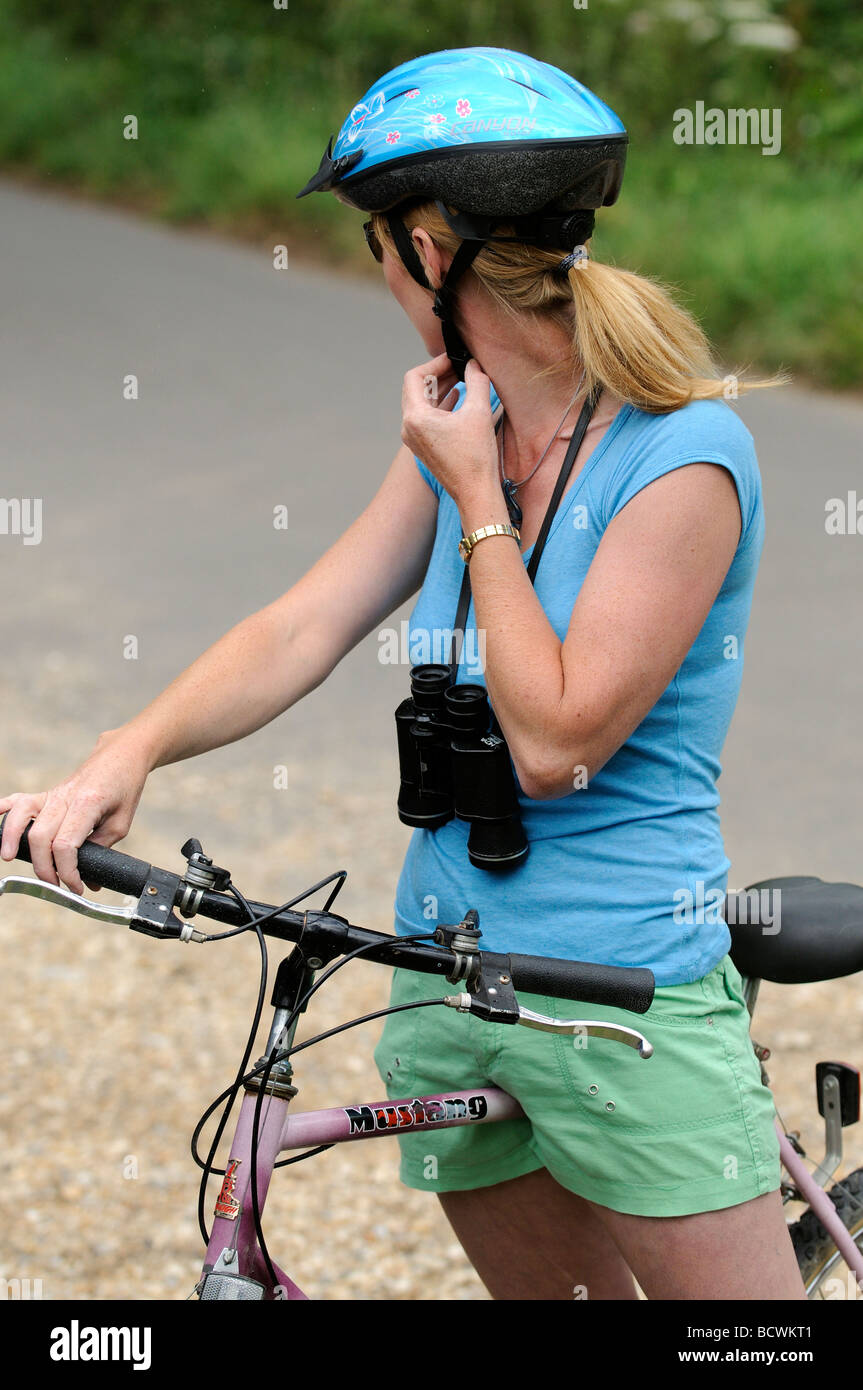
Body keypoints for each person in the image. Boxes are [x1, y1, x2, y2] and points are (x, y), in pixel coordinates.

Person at [0, 46, 804, 1300]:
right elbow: (302, 624)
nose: (377, 274)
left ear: (429, 254)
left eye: (378, 244)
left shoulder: (681, 459)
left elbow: (555, 743)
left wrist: (477, 490)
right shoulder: (459, 416)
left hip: (622, 1000)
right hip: (444, 973)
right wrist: (122, 755)